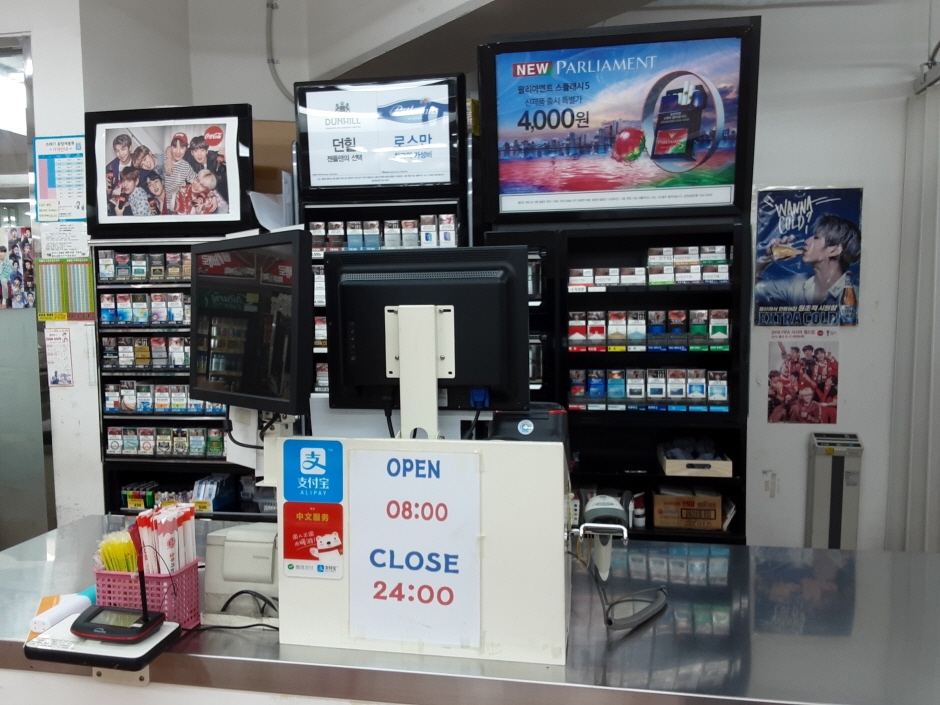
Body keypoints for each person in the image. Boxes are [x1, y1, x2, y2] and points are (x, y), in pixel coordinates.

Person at [755, 214, 861, 306]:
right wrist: (768, 258)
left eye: (816, 237)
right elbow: (753, 289)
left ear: (834, 250)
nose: (806, 241)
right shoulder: (796, 285)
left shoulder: (856, 298)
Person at [184, 134, 227, 201]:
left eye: (202, 150)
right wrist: (169, 159)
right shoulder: (189, 159)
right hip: (202, 193)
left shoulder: (214, 157)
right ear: (192, 152)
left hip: (219, 191)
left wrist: (227, 159)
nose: (199, 154)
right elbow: (172, 149)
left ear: (207, 151)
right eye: (196, 151)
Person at [163, 132, 197, 206]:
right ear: (171, 147)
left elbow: (196, 181)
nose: (178, 151)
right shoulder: (163, 161)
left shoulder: (185, 166)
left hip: (179, 204)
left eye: (182, 148)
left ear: (186, 149)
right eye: (175, 147)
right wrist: (168, 159)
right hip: (164, 204)